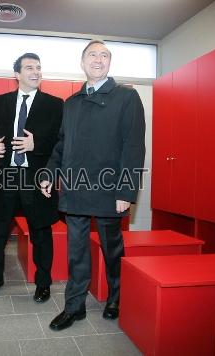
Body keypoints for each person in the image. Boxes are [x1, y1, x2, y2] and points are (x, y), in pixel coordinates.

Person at [40, 40, 146, 330]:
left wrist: (126, 190)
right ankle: (74, 307)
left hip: (110, 191)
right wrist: (50, 173)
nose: (98, 60)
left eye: (104, 55)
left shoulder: (126, 97)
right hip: (75, 190)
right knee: (76, 251)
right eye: (92, 55)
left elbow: (133, 147)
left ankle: (117, 297)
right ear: (82, 62)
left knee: (112, 248)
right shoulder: (72, 103)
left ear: (109, 62)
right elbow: (62, 145)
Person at [0, 53, 63, 302]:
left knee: (41, 233)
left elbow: (62, 141)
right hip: (4, 175)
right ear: (17, 74)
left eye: (38, 67)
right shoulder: (0, 101)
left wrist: (37, 144)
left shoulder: (55, 104)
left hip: (36, 178)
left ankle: (43, 282)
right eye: (29, 68)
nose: (35, 72)